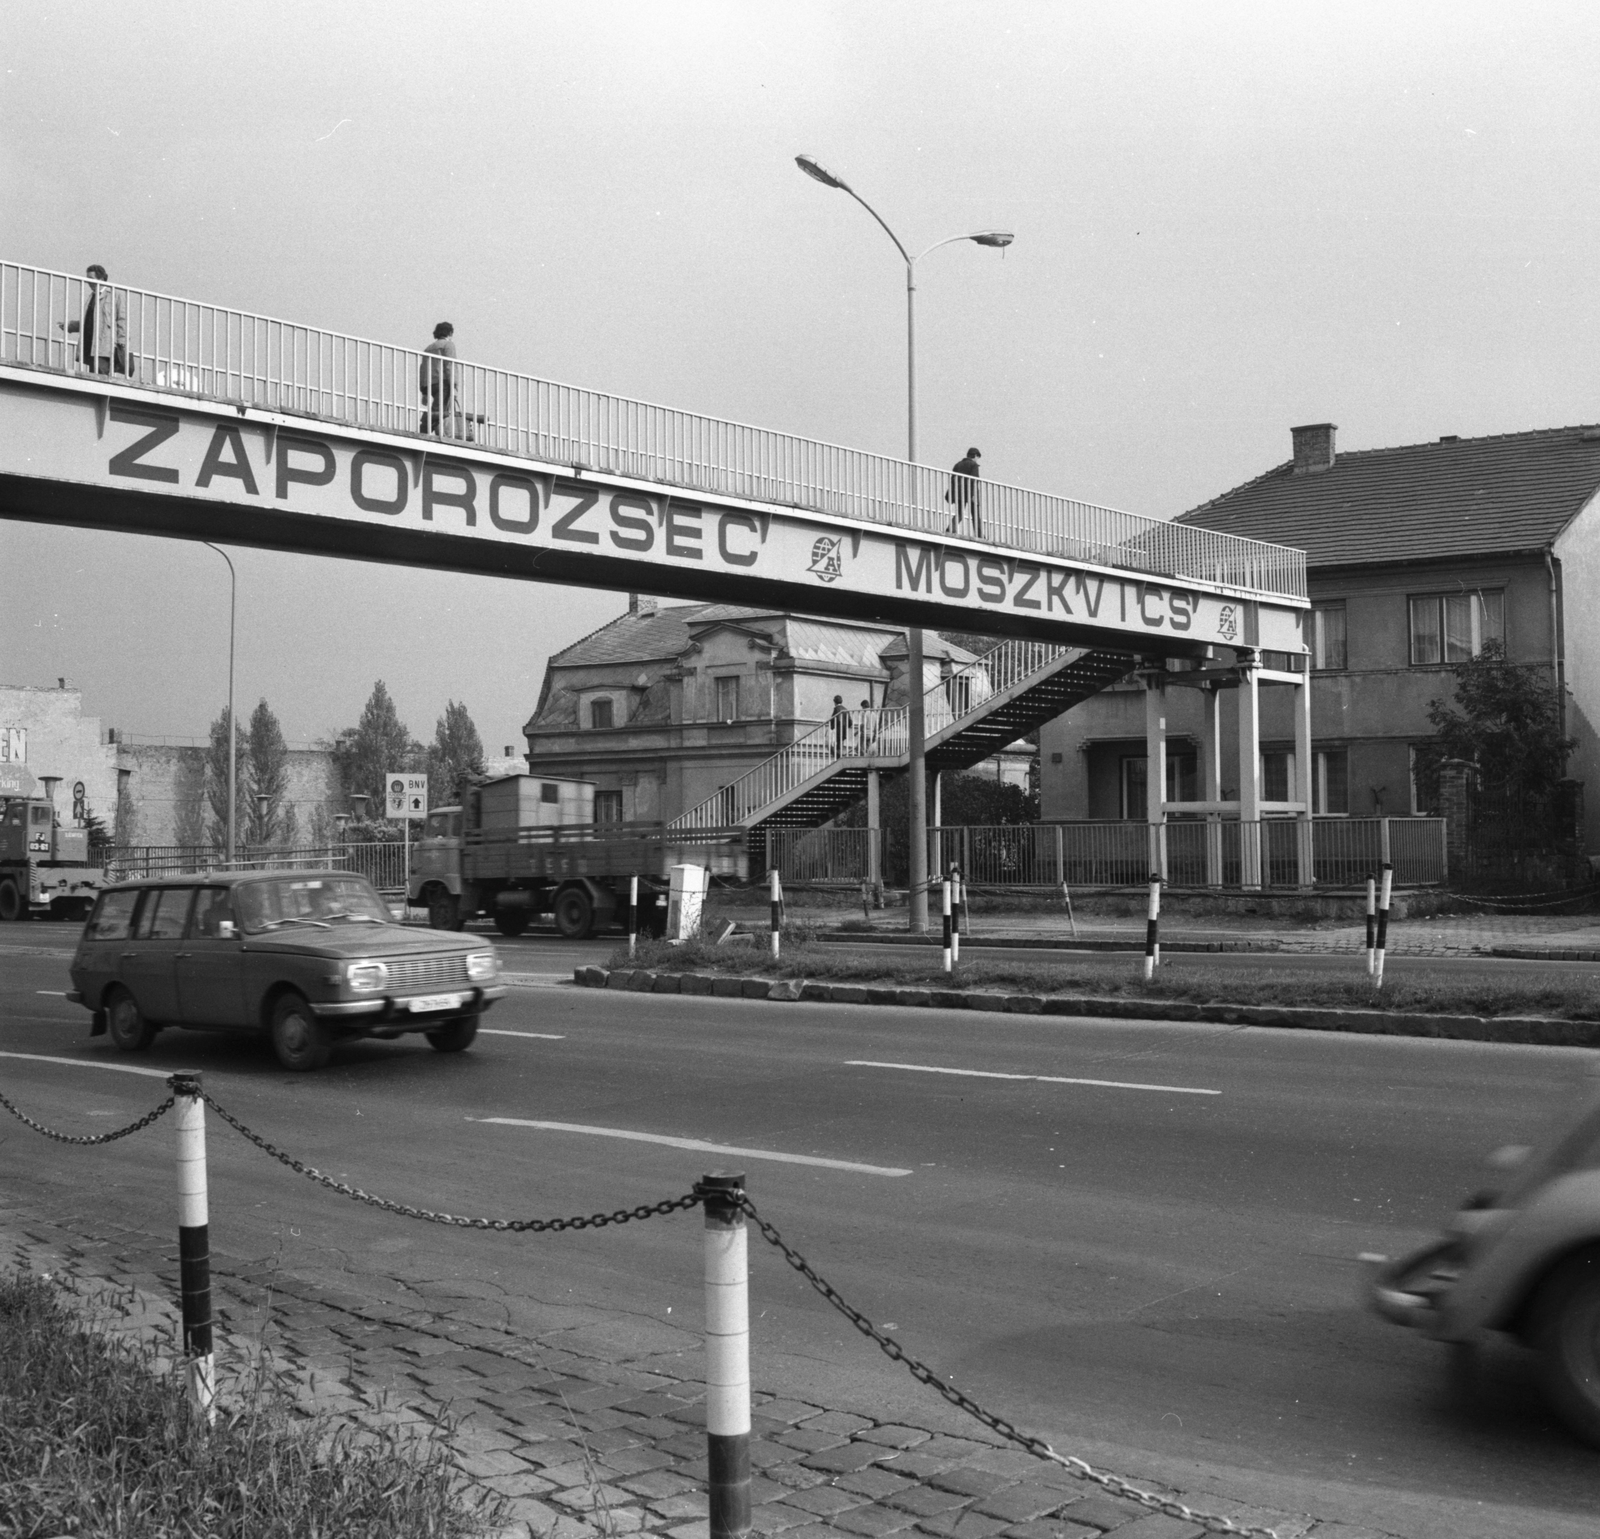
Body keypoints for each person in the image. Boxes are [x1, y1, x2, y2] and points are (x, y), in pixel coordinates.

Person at [63, 264, 127, 376]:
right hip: (90, 342)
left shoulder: (115, 295)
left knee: (100, 372)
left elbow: (122, 319)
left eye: (91, 279)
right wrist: (70, 326)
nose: (88, 282)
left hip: (105, 343)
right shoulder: (92, 296)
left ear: (101, 278)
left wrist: (122, 341)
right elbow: (89, 321)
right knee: (94, 373)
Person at [419, 321, 458, 435]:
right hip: (443, 382)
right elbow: (450, 365)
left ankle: (436, 432)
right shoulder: (448, 345)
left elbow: (423, 368)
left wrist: (423, 390)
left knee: (439, 409)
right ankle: (424, 431)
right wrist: (454, 384)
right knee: (438, 410)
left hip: (429, 383)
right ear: (450, 333)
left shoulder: (428, 348)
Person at [946, 446, 982, 537]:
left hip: (959, 492)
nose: (977, 459)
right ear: (975, 455)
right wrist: (973, 495)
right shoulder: (973, 465)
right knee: (975, 515)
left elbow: (953, 480)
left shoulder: (958, 465)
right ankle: (979, 534)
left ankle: (951, 528)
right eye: (977, 457)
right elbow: (974, 480)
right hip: (971, 492)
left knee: (960, 513)